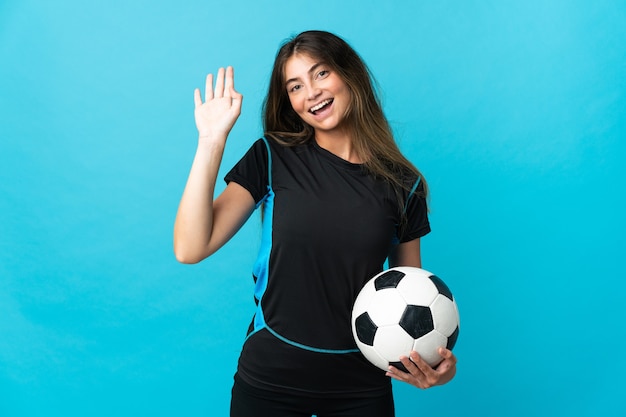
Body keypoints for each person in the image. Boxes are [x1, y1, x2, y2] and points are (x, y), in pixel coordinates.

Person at [174, 30, 457, 417]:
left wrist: (434, 367)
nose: (311, 93)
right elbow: (190, 248)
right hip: (270, 379)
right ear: (289, 101)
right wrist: (211, 141)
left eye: (321, 74)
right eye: (295, 86)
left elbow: (412, 297)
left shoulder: (402, 186)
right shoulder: (272, 157)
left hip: (360, 388)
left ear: (349, 74)